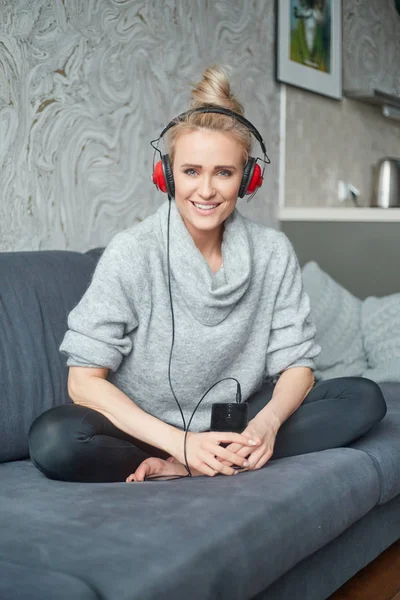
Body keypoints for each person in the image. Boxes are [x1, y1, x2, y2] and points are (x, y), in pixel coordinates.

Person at [29, 65, 386, 484]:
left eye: (224, 173)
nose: (205, 191)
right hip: (148, 431)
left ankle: (197, 465)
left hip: (240, 427)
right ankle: (189, 458)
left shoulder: (272, 252)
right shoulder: (133, 252)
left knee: (363, 399)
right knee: (55, 440)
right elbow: (83, 383)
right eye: (191, 171)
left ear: (249, 178)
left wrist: (266, 426)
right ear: (166, 174)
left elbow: (297, 366)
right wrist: (181, 442)